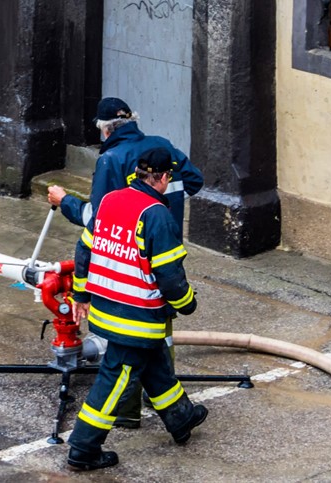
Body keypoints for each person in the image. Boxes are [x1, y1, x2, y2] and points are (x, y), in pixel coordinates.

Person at [48, 97, 204, 429]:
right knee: (162, 333)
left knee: (126, 343)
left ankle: (125, 412)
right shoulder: (162, 148)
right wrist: (167, 208)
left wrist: (65, 202)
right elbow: (195, 181)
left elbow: (94, 219)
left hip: (127, 267)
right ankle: (172, 409)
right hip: (166, 255)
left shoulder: (112, 160)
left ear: (105, 131)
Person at [65, 147, 207, 471]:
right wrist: (188, 304)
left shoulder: (111, 200)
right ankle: (82, 448)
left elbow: (84, 248)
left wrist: (81, 295)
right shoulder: (156, 214)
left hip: (107, 309)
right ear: (164, 177)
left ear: (138, 172)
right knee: (115, 379)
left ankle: (181, 418)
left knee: (155, 364)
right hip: (136, 316)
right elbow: (170, 277)